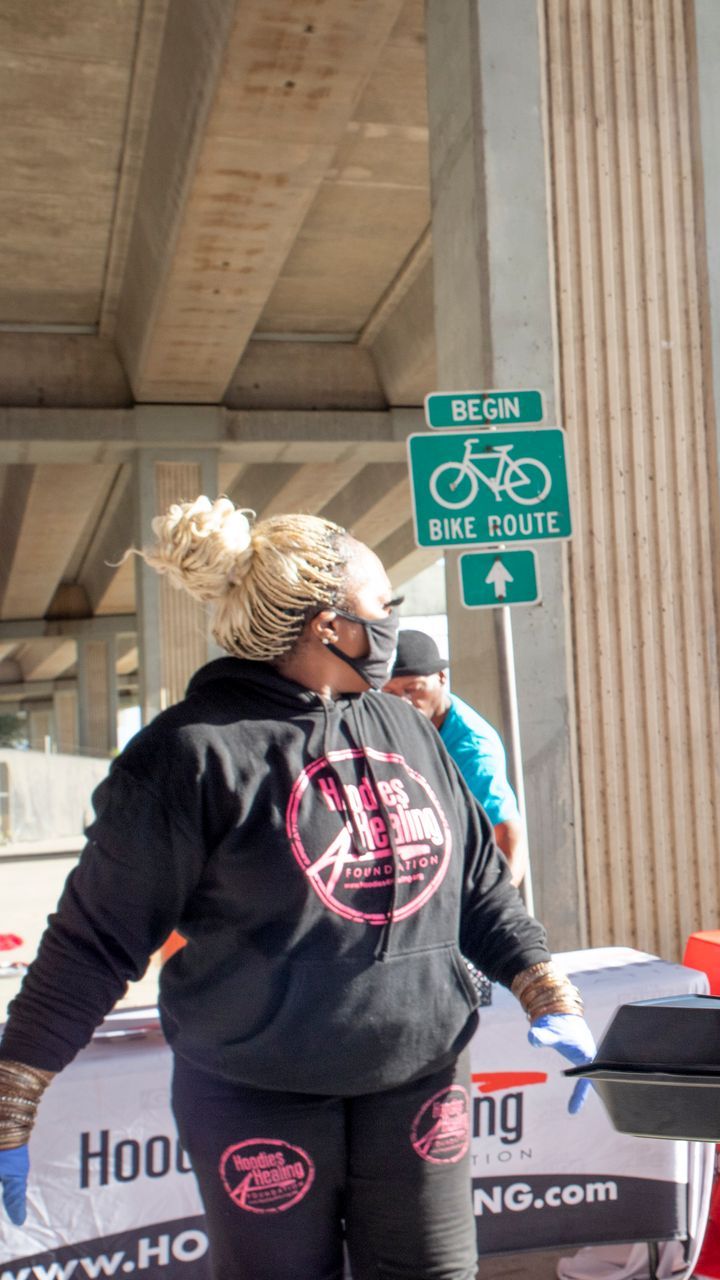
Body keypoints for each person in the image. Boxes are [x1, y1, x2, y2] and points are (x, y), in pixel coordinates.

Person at [0, 497, 597, 1278]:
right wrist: (16, 1088)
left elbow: (478, 882)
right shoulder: (188, 757)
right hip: (259, 1094)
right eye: (382, 607)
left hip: (419, 1079)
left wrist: (547, 988)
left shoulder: (406, 728)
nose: (390, 625)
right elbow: (95, 940)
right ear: (328, 625)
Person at [384, 631, 529, 888]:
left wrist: (496, 912)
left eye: (413, 690)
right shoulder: (389, 723)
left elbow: (507, 836)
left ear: (441, 678)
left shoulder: (472, 747)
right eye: (390, 692)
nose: (402, 702)